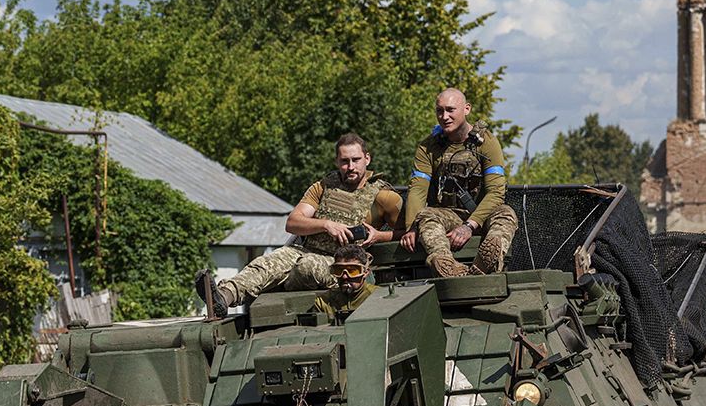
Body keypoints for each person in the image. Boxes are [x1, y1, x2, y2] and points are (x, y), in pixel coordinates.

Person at [197, 133, 402, 317]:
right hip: (306, 251)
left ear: (367, 158)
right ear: (336, 161)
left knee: (306, 266)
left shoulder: (383, 196)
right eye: (344, 161)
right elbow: (293, 222)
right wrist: (326, 224)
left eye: (356, 160)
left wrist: (378, 236)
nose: (350, 167)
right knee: (268, 262)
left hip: (345, 268)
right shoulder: (323, 187)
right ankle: (223, 297)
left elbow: (409, 233)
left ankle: (272, 285)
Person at [398, 88, 518, 277]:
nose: (444, 116)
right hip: (447, 215)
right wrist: (411, 228)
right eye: (439, 111)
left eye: (450, 110)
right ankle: (447, 266)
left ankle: (486, 264)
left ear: (466, 109)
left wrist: (469, 226)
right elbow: (417, 190)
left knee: (506, 214)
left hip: (480, 215)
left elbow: (496, 192)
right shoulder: (428, 147)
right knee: (426, 216)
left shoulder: (487, 143)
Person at [311, 244, 376, 320]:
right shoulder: (323, 302)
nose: (344, 276)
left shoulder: (378, 298)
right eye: (339, 270)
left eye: (352, 271)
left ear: (365, 272)